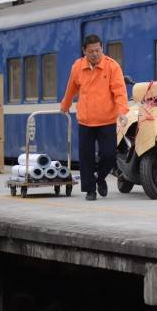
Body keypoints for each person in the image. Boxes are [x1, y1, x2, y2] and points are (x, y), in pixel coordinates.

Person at [60, 34, 129, 201]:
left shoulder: (112, 67)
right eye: (91, 51)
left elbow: (120, 91)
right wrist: (65, 105)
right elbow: (71, 88)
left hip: (107, 119)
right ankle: (90, 190)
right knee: (86, 158)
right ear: (84, 51)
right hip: (85, 120)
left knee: (109, 155)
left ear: (102, 48)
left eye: (98, 50)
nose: (95, 54)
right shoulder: (77, 67)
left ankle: (100, 179)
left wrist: (122, 112)